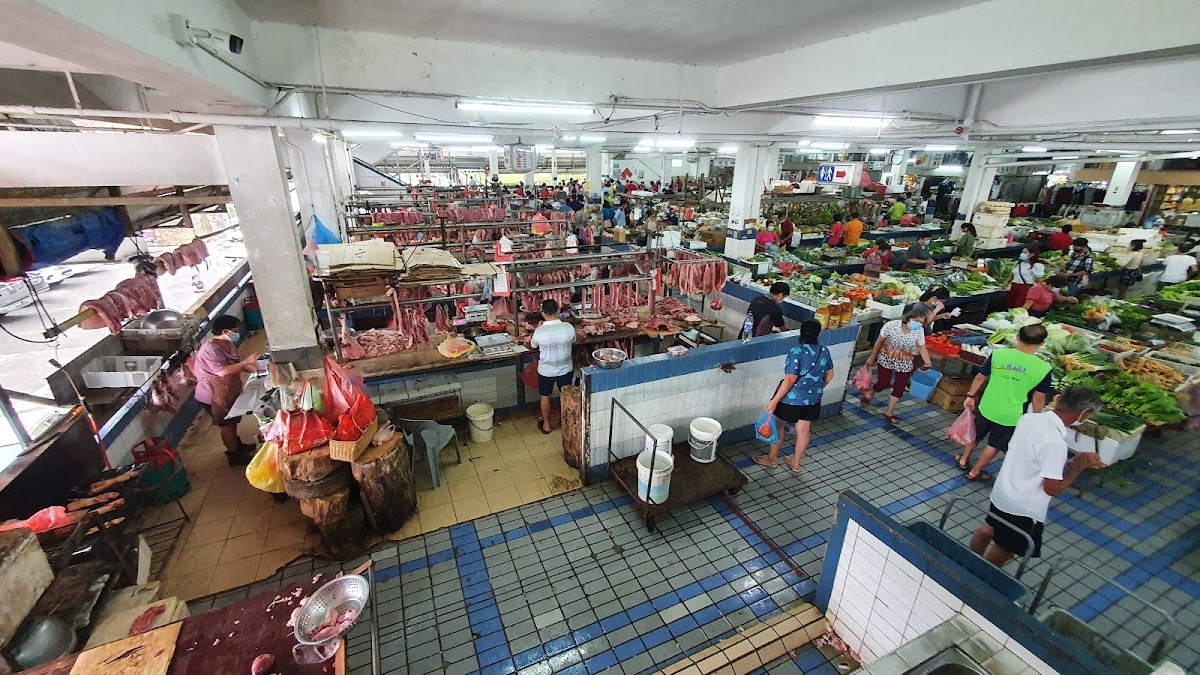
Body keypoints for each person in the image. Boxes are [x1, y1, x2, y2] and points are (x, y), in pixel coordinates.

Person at [970, 387, 1107, 566]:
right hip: (1022, 506)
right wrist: (1078, 466)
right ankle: (979, 576)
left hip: (1003, 492)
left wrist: (1065, 463)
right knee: (1005, 549)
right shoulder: (1054, 442)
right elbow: (1052, 489)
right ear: (1085, 412)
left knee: (987, 531)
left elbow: (1030, 456)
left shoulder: (1029, 419)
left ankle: (966, 562)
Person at [957, 324, 1054, 482]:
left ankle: (963, 459)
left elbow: (980, 377)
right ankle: (975, 472)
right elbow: (1038, 398)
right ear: (1042, 343)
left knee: (975, 435)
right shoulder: (1044, 368)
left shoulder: (998, 355)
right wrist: (1036, 419)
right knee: (994, 445)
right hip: (1011, 416)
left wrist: (971, 396)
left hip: (987, 406)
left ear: (1017, 338)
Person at [753, 320, 835, 473]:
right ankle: (796, 463)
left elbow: (790, 379)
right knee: (803, 431)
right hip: (813, 400)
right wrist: (816, 389)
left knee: (778, 425)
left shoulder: (796, 351)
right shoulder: (824, 351)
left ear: (801, 333)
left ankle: (772, 458)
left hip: (791, 399)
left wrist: (774, 401)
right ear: (819, 334)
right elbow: (830, 376)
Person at [194, 316, 259, 466]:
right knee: (227, 425)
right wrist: (246, 362)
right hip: (213, 395)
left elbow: (239, 364)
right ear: (225, 331)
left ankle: (238, 446)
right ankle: (235, 456)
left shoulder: (227, 344)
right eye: (235, 331)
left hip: (227, 391)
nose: (237, 333)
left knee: (233, 422)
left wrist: (259, 370)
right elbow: (222, 371)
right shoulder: (210, 349)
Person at [862, 308, 933, 424]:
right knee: (883, 383)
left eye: (921, 322)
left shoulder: (919, 331)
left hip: (905, 360)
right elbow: (879, 341)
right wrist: (872, 357)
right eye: (916, 320)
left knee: (900, 386)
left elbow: (922, 346)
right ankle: (871, 393)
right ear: (908, 318)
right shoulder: (891, 325)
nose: (919, 324)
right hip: (887, 357)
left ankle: (889, 411)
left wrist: (927, 362)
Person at [530, 299, 576, 434]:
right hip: (565, 369)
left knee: (545, 396)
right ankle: (566, 424)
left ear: (543, 313)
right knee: (566, 396)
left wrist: (538, 328)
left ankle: (546, 425)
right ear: (558, 311)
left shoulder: (540, 331)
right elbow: (573, 340)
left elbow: (533, 345)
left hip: (546, 371)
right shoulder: (568, 327)